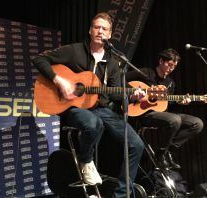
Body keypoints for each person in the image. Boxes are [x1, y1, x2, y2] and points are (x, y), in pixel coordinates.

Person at [32, 12, 144, 197]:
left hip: (101, 108)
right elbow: (39, 59)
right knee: (93, 123)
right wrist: (59, 80)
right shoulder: (75, 51)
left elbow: (115, 94)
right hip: (73, 107)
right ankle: (86, 161)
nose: (100, 32)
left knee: (136, 144)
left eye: (105, 29)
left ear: (110, 34)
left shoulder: (113, 62)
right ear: (90, 30)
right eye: (97, 27)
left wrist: (132, 96)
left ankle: (122, 194)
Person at [126, 48, 203, 169]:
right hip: (145, 113)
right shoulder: (145, 72)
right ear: (161, 61)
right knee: (175, 120)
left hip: (162, 113)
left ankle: (167, 151)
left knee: (197, 123)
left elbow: (166, 103)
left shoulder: (170, 83)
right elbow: (121, 79)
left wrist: (181, 102)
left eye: (174, 66)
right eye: (170, 65)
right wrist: (135, 94)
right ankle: (161, 153)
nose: (171, 68)